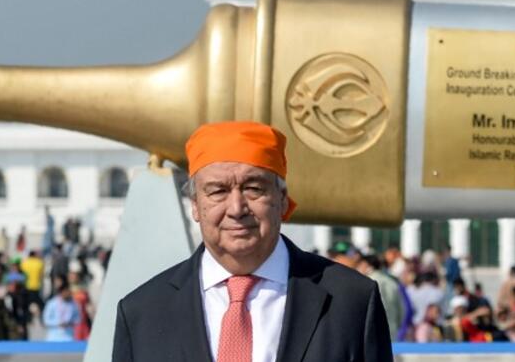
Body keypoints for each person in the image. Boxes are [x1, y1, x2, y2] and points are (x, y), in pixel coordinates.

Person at [113, 121, 393, 361]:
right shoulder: (142, 312)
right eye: (218, 191)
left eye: (253, 188)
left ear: (282, 199)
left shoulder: (350, 301)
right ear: (195, 205)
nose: (236, 208)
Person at [357, 254, 404, 341]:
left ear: (367, 265)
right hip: (392, 329)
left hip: (371, 331)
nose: (358, 268)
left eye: (360, 265)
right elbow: (401, 309)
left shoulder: (366, 282)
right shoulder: (392, 282)